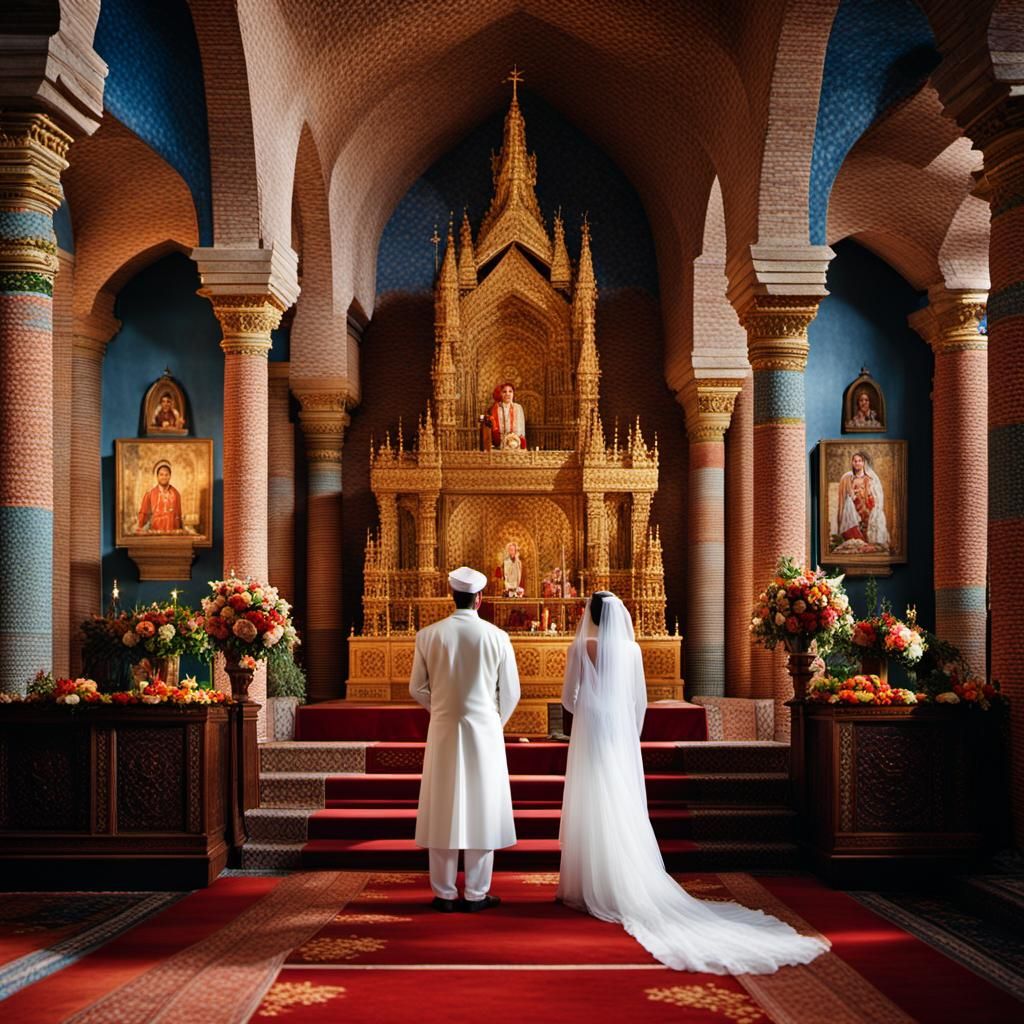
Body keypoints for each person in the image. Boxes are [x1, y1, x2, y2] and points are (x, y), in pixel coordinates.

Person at [557, 591, 830, 973]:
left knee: (591, 796)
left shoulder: (578, 649)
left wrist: (589, 707)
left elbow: (568, 700)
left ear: (591, 616)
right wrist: (627, 733)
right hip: (617, 730)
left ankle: (587, 884)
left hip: (590, 725)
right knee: (617, 796)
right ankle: (620, 875)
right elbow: (639, 702)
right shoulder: (631, 651)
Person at [409, 565, 522, 913]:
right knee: (482, 806)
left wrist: (441, 709)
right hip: (484, 732)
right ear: (480, 598)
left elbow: (416, 688)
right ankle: (476, 893)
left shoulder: (428, 635)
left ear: (452, 595)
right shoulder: (497, 637)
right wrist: (492, 721)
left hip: (443, 729)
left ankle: (443, 893)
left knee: (443, 805)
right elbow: (512, 693)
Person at [835, 451, 889, 549]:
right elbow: (850, 495)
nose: (857, 463)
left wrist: (865, 499)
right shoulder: (849, 478)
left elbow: (869, 494)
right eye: (855, 461)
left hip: (866, 505)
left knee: (867, 523)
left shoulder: (868, 478)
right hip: (856, 506)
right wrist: (855, 496)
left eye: (860, 461)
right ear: (852, 462)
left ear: (863, 463)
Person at [136, 461, 183, 532]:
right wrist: (140, 528)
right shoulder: (150, 494)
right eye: (161, 474)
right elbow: (143, 514)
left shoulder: (176, 494)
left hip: (172, 533)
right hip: (155, 533)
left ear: (170, 476)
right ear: (157, 476)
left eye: (166, 475)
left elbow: (178, 515)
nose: (164, 477)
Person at [488, 382, 526, 449]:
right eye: (504, 392)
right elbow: (494, 429)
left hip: (515, 443)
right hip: (500, 444)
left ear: (513, 394)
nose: (507, 394)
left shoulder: (518, 407)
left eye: (510, 391)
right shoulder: (496, 408)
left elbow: (521, 430)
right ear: (500, 394)